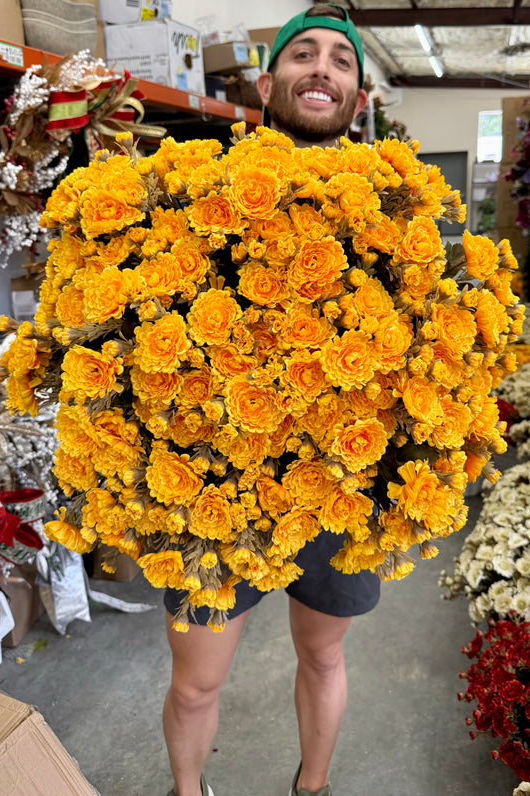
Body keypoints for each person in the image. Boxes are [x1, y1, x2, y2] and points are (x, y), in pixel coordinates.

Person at [163, 6, 376, 796]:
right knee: (194, 684)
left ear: (357, 94)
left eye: (339, 61)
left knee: (323, 654)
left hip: (338, 485)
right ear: (267, 81)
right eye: (303, 55)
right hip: (211, 483)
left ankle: (310, 788)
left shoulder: (392, 208)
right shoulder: (195, 194)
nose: (321, 68)